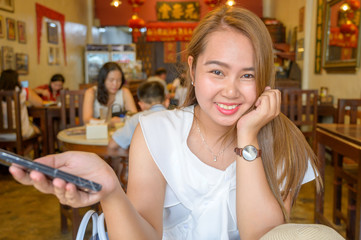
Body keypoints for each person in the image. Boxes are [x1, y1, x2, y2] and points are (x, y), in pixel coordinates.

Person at [10, 6, 337, 239]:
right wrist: (111, 192)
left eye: (248, 75)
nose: (231, 90)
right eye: (217, 71)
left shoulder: (284, 142)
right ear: (193, 71)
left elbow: (261, 236)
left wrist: (248, 136)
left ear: (265, 79)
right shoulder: (155, 132)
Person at [108, 81, 168, 154]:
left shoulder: (137, 119)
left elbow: (113, 144)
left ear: (141, 104)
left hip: (145, 163)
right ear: (166, 100)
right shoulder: (176, 116)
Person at [0, 69, 42, 140]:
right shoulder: (22, 91)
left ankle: (11, 151)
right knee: (39, 130)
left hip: (1, 134)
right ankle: (26, 151)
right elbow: (40, 103)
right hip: (22, 132)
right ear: (16, 79)